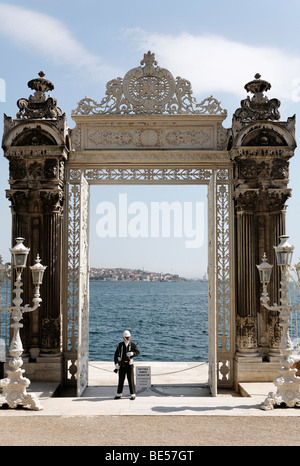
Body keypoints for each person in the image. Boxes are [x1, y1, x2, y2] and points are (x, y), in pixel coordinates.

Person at [114, 330, 140, 400]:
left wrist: (133, 353)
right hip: (122, 365)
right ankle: (119, 394)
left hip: (129, 365)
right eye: (127, 337)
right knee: (121, 380)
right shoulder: (120, 345)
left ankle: (133, 394)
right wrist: (116, 364)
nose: (128, 338)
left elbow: (138, 352)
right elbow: (116, 355)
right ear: (124, 337)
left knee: (131, 380)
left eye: (129, 337)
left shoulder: (133, 345)